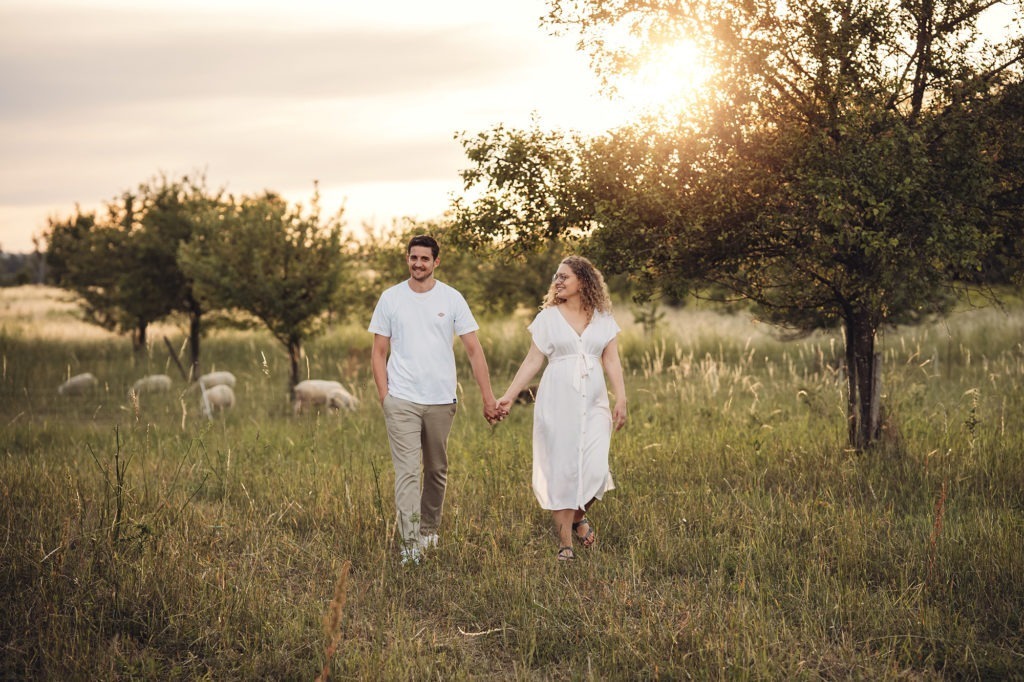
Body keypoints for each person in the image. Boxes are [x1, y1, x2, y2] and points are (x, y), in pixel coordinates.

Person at [369, 235, 502, 565]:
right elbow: (378, 351)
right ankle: (410, 543)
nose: (417, 264)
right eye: (413, 258)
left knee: (436, 470)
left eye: (424, 259)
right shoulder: (391, 298)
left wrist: (488, 398)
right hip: (401, 399)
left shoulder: (452, 298)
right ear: (407, 259)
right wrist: (385, 396)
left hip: (442, 400)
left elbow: (474, 350)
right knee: (407, 474)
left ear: (436, 262)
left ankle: (428, 532)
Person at [496, 255, 627, 562]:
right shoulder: (548, 318)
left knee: (596, 470)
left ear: (583, 280)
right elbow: (533, 361)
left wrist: (621, 397)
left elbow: (611, 359)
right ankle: (565, 544)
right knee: (563, 469)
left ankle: (579, 516)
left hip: (595, 403)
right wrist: (510, 395)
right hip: (558, 402)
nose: (558, 281)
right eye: (556, 276)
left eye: (564, 276)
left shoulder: (603, 317)